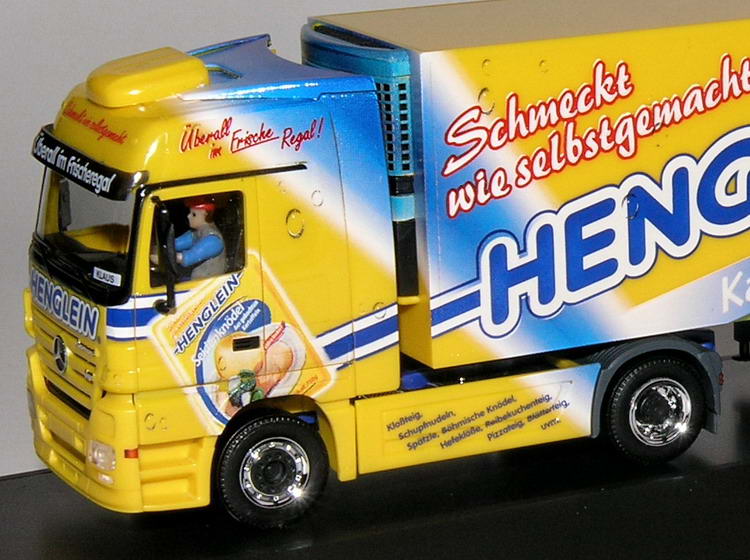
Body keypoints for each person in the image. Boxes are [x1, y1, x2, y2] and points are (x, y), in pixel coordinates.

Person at [175, 197, 226, 279]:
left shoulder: (213, 240)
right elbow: (176, 243)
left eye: (193, 214)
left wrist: (168, 256)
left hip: (209, 283)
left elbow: (189, 257)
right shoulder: (197, 232)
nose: (188, 216)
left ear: (205, 215)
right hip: (197, 278)